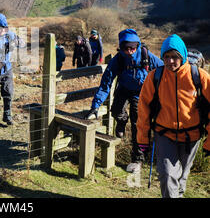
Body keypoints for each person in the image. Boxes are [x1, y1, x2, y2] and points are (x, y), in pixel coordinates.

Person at [137, 34, 210, 198]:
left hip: (192, 136)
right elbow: (143, 110)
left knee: (182, 178)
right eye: (166, 57)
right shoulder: (155, 77)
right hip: (164, 134)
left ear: (182, 55)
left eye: (175, 57)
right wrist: (142, 139)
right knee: (168, 175)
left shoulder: (198, 76)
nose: (170, 61)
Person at [83, 28, 163, 172]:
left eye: (133, 47)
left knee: (137, 124)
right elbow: (105, 84)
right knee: (116, 111)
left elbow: (164, 69)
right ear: (121, 47)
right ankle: (121, 122)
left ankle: (137, 160)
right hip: (123, 89)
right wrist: (95, 107)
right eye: (126, 48)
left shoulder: (146, 55)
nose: (130, 51)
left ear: (137, 45)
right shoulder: (118, 60)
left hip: (141, 92)